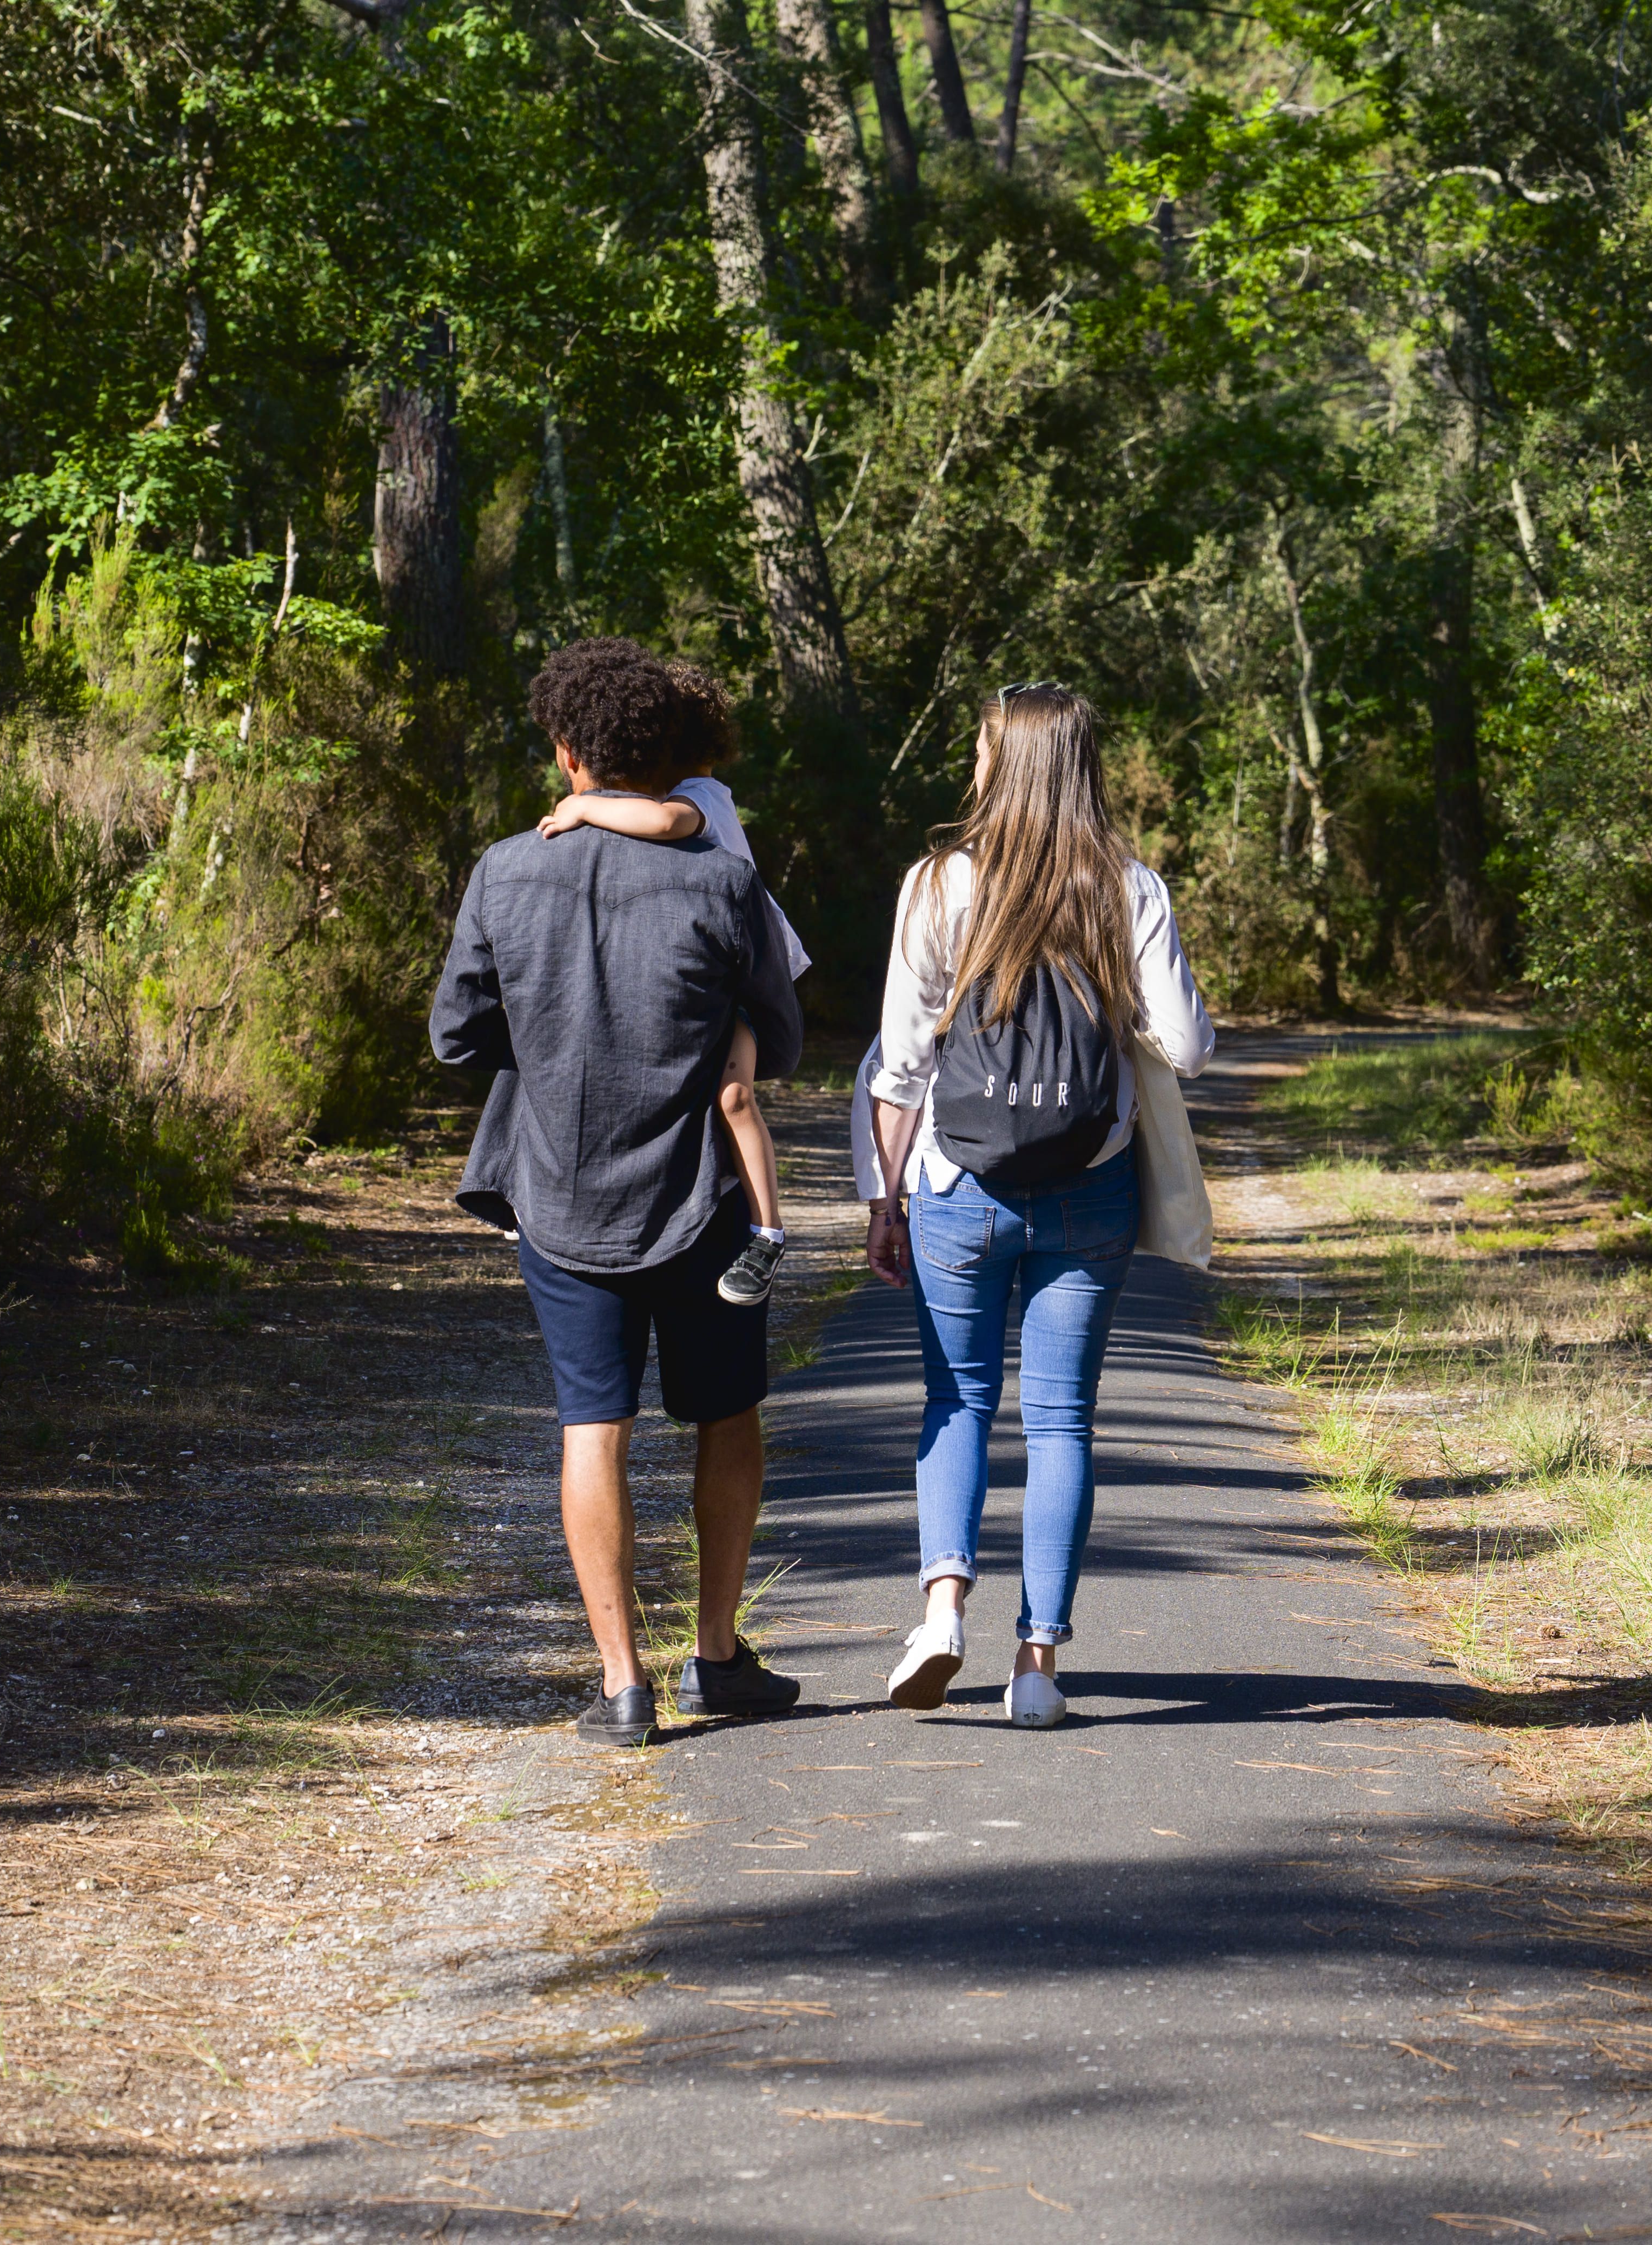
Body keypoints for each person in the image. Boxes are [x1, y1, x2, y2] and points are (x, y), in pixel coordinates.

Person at [430, 639, 810, 1747]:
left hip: (559, 1199)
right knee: (727, 1415)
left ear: (565, 751)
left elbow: (458, 1034)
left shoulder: (505, 869)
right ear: (669, 755)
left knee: (590, 1425)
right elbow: (774, 1041)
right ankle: (715, 1655)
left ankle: (621, 1684)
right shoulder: (722, 879)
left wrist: (548, 1046)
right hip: (701, 1200)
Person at [861, 684, 1214, 1730]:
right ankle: (1037, 1666)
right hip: (1089, 1184)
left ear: (1000, 764)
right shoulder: (1126, 886)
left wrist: (886, 1201)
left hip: (956, 1185)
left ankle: (939, 1611)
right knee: (1061, 1420)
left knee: (956, 1400)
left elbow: (899, 1064)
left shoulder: (936, 885)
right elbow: (1189, 1047)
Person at [535, 663, 812, 1306]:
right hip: (738, 960)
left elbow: (667, 827)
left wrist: (584, 806)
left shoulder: (697, 797)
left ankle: (767, 1233)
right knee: (722, 1096)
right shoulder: (703, 788)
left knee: (734, 1098)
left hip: (747, 968)